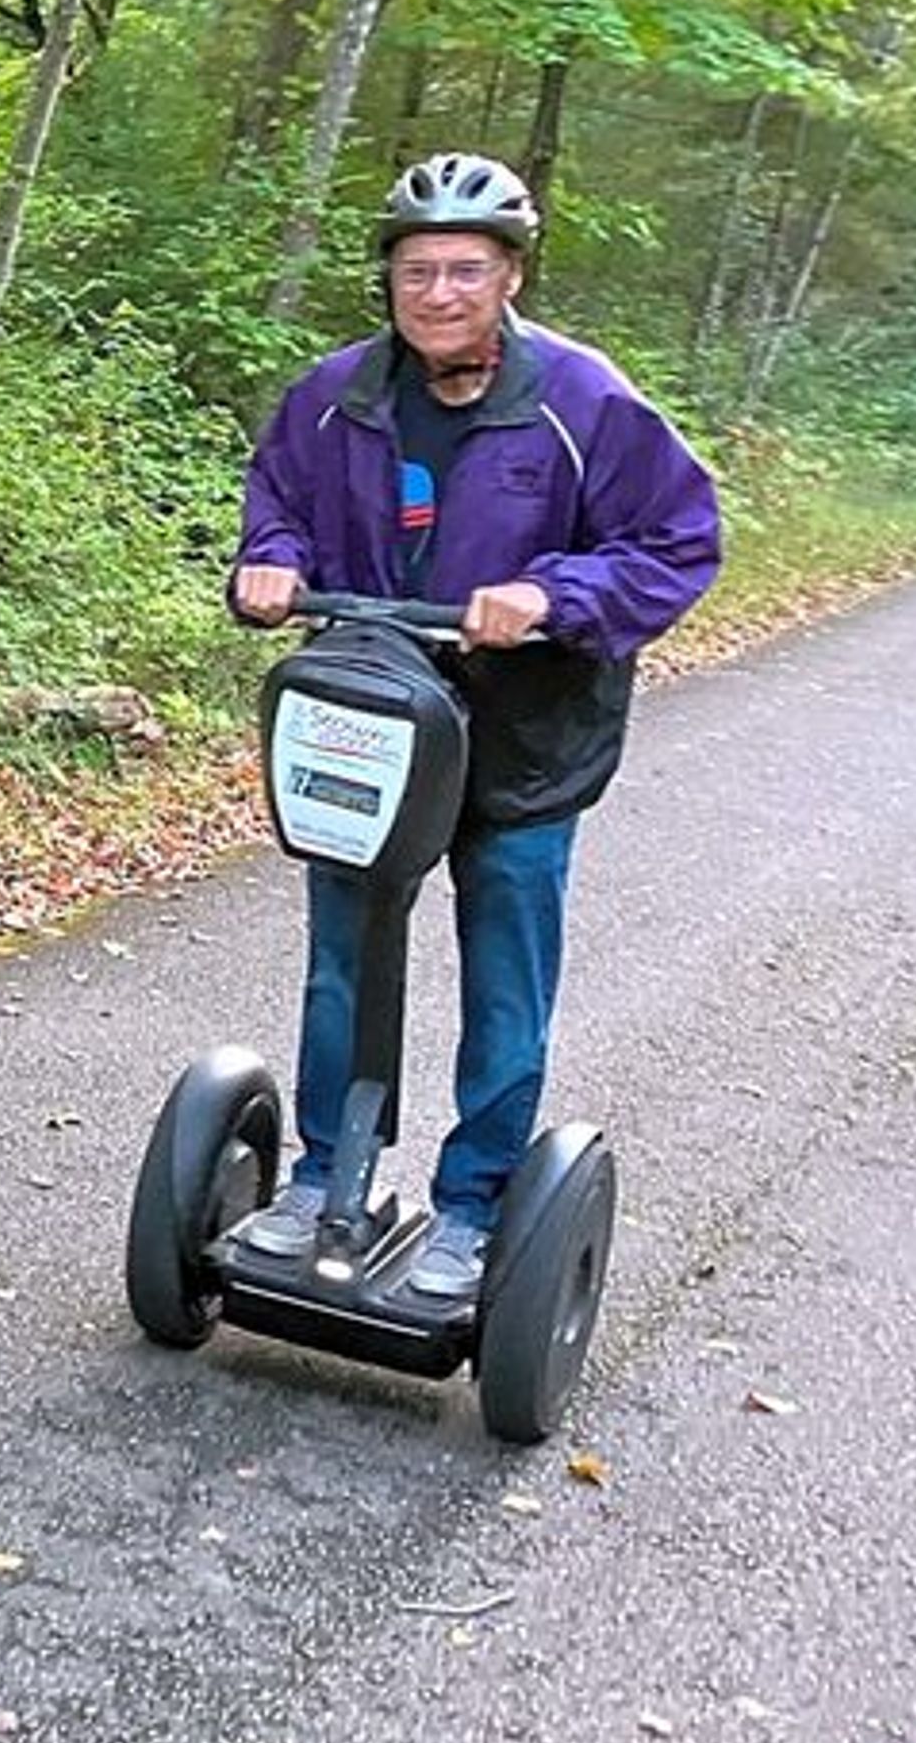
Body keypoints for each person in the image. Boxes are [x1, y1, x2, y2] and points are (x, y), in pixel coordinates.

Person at [226, 150, 724, 1300]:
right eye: (416, 270)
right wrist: (271, 563)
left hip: (523, 745)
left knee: (504, 976)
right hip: (376, 723)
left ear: (509, 275)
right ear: (388, 281)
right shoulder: (337, 395)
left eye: (465, 269)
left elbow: (678, 543)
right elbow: (280, 502)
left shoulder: (586, 403)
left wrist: (555, 597)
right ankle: (320, 1179)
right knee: (341, 966)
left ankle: (471, 1205)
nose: (438, 293)